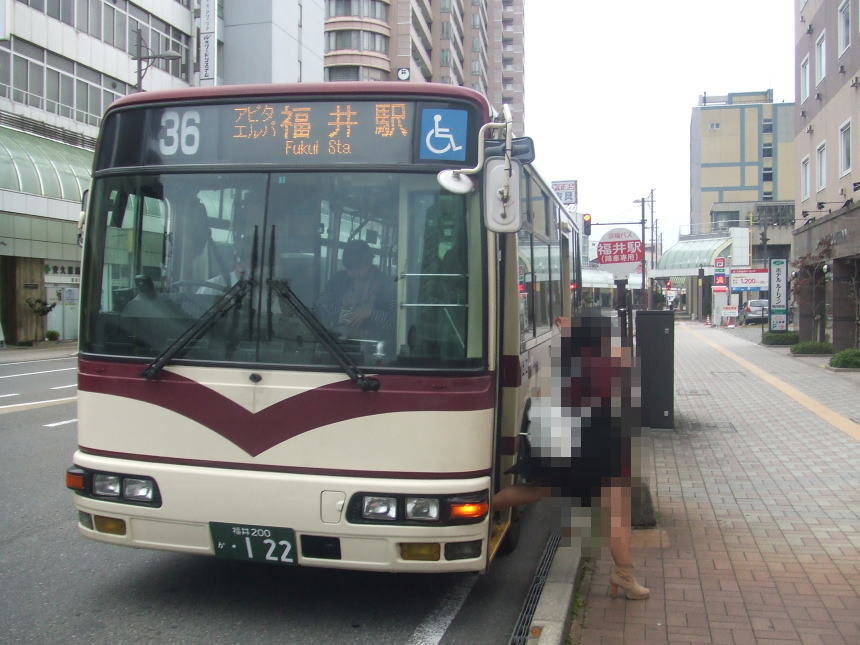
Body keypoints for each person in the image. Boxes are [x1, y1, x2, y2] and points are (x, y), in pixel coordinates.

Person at [493, 313, 649, 600]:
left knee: (539, 490)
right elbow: (621, 383)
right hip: (595, 449)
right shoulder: (600, 366)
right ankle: (624, 576)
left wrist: (570, 333)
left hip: (580, 446)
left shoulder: (576, 361)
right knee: (614, 512)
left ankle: (479, 508)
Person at [316, 240, 396, 341]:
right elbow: (320, 305)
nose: (350, 274)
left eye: (356, 269)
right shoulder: (338, 280)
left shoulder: (388, 285)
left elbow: (395, 322)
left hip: (374, 345)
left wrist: (370, 313)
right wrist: (347, 314)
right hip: (336, 345)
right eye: (348, 268)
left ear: (369, 263)